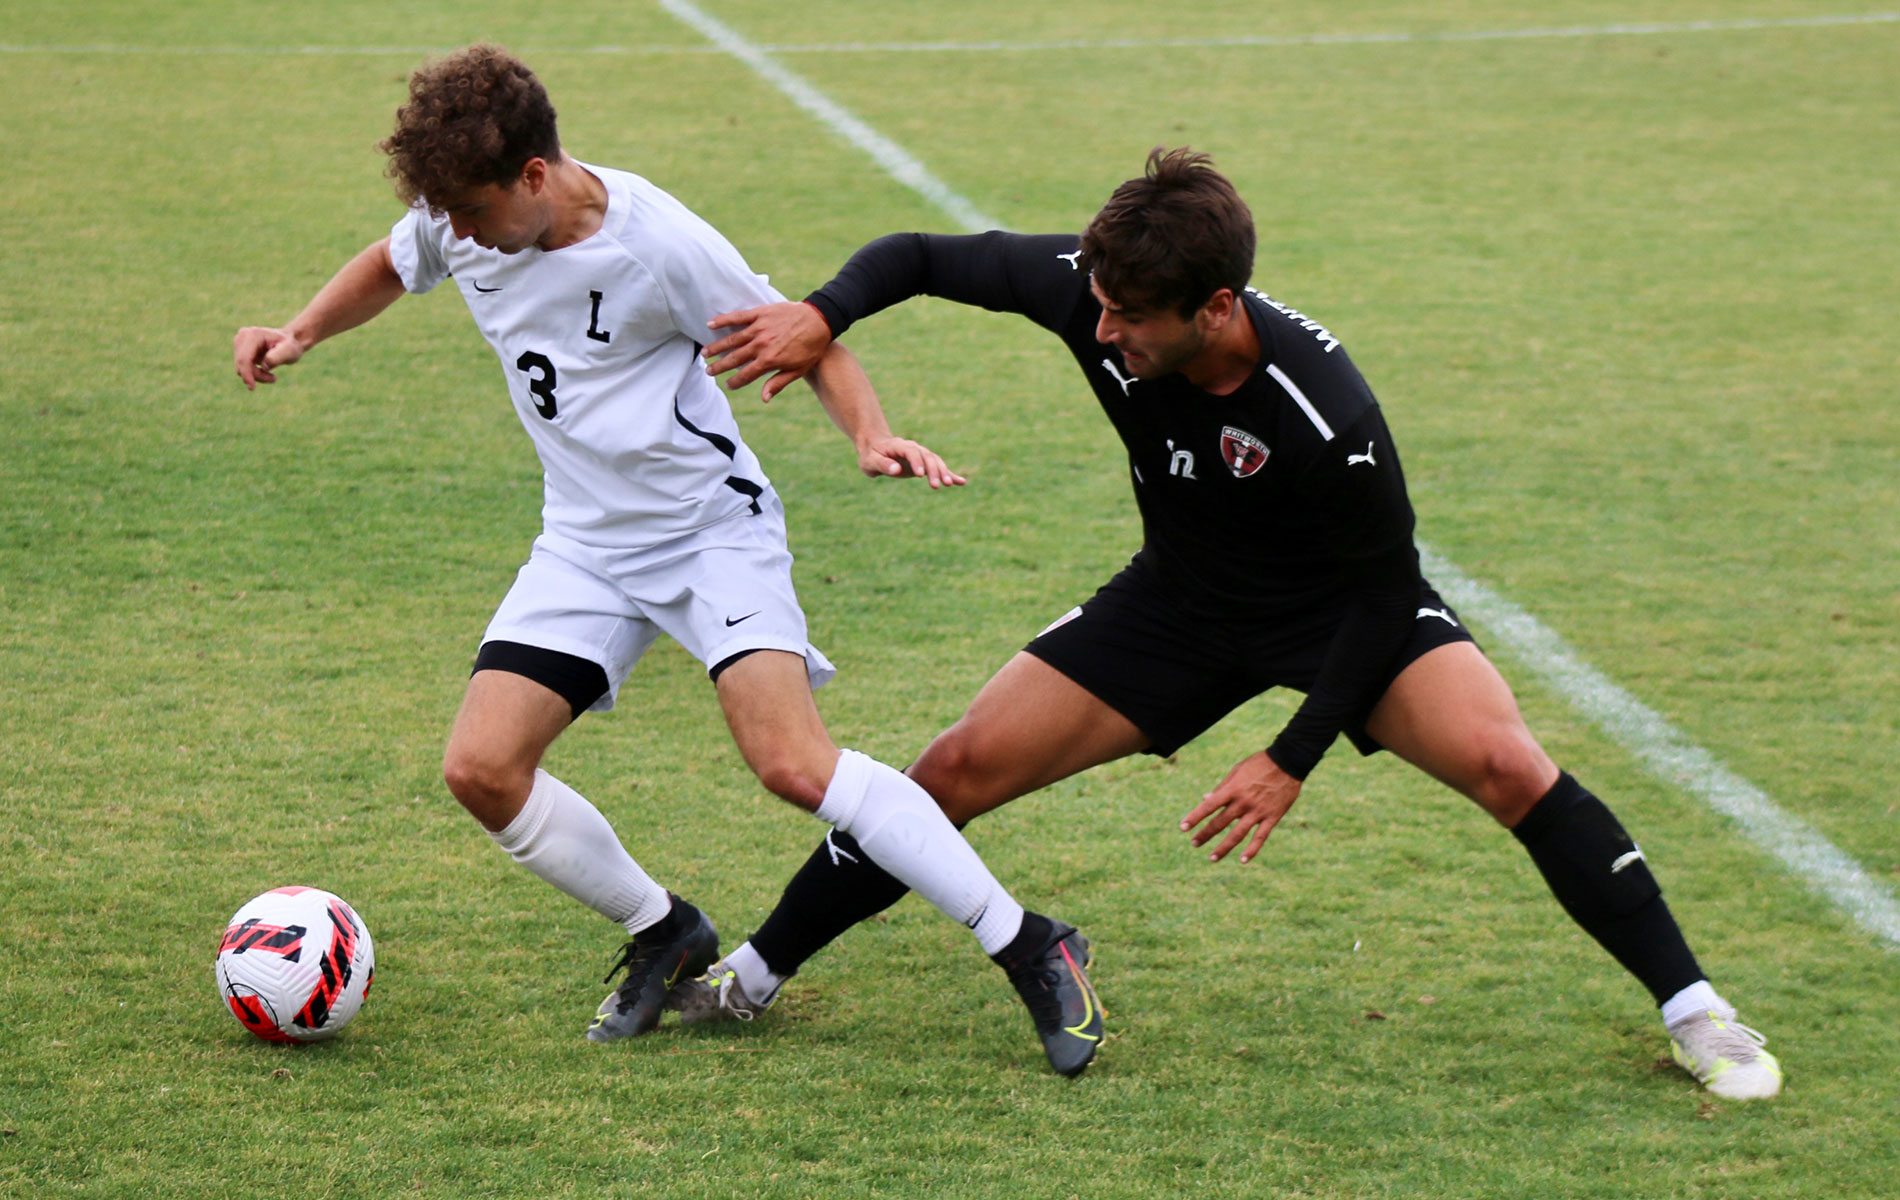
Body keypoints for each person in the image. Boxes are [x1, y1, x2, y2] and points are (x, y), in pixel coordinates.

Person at [683, 147, 1782, 1100]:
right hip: (1180, 604)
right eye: (1099, 303)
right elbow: (921, 254)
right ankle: (752, 976)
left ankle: (1697, 1012)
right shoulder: (1100, 290)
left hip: (1340, 612)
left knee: (1508, 765)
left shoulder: (1326, 412)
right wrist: (823, 312)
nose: (1102, 330)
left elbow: (1384, 595)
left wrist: (1289, 757)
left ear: (1214, 309)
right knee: (953, 768)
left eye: (1129, 318)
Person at [230, 44, 1102, 1076]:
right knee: (482, 770)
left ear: (534, 176)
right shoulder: (456, 218)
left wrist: (870, 435)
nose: (454, 233)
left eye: (469, 211)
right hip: (584, 542)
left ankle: (1028, 942)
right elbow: (392, 260)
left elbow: (809, 338)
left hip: (707, 535)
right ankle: (665, 929)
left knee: (793, 764)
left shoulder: (660, 246)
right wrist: (302, 331)